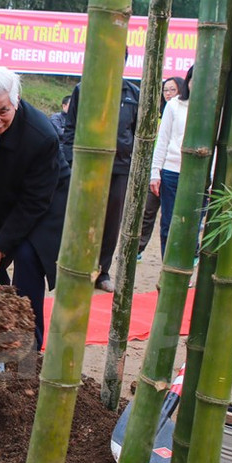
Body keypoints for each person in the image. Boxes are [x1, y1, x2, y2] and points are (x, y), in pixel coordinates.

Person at [0, 67, 69, 349]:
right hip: (0, 192)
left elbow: (35, 202)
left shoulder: (41, 136)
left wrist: (0, 248)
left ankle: (27, 343)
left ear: (16, 101)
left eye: (2, 111)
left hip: (44, 202)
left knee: (27, 256)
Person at [61, 53, 139, 292]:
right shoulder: (84, 88)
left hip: (119, 166)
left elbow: (138, 132)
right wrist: (71, 161)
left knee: (112, 221)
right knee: (83, 215)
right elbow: (71, 127)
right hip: (87, 166)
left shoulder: (133, 94)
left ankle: (102, 271)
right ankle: (78, 266)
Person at [137, 77, 187, 259]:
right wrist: (154, 171)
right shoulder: (161, 110)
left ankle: (185, 256)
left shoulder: (193, 109)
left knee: (182, 218)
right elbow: (161, 142)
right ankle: (139, 249)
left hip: (181, 169)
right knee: (150, 212)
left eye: (172, 89)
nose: (168, 93)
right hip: (161, 168)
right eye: (165, 90)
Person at [150, 66, 194, 258]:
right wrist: (155, 172)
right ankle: (168, 263)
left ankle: (186, 264)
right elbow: (163, 140)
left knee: (192, 223)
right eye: (194, 80)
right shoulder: (174, 105)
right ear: (188, 81)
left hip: (199, 174)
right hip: (172, 170)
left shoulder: (214, 107)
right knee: (169, 221)